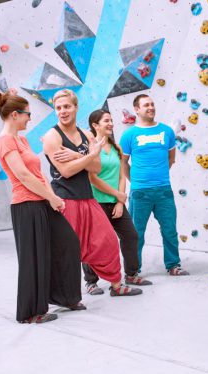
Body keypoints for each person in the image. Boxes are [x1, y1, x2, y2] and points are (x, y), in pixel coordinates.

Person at [0, 89, 84, 324]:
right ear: (15, 115)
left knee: (69, 242)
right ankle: (30, 312)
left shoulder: (20, 139)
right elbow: (23, 175)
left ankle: (65, 296)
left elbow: (37, 172)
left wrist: (52, 196)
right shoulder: (4, 142)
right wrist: (51, 198)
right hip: (26, 205)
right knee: (33, 258)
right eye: (27, 114)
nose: (29, 118)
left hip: (42, 200)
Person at [42, 89, 141, 296]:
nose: (62, 111)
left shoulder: (86, 135)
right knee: (70, 250)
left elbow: (96, 168)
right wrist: (89, 155)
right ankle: (70, 296)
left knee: (109, 241)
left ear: (76, 107)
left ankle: (116, 285)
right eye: (58, 108)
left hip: (87, 198)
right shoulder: (52, 137)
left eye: (67, 106)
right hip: (66, 200)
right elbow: (66, 171)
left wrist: (79, 156)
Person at [81, 109, 152, 295]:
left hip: (116, 201)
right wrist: (117, 195)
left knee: (131, 236)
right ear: (95, 125)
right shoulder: (90, 148)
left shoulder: (117, 148)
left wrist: (120, 201)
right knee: (94, 243)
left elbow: (121, 176)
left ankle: (131, 274)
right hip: (96, 203)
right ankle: (91, 282)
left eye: (111, 120)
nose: (111, 123)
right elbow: (92, 179)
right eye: (106, 121)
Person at [120, 94, 189, 276]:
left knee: (170, 231)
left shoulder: (167, 132)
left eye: (152, 104)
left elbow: (171, 159)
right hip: (139, 192)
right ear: (136, 109)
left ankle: (173, 265)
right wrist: (134, 181)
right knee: (136, 234)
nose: (150, 107)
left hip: (164, 191)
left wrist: (158, 176)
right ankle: (133, 271)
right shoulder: (129, 135)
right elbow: (123, 163)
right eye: (145, 105)